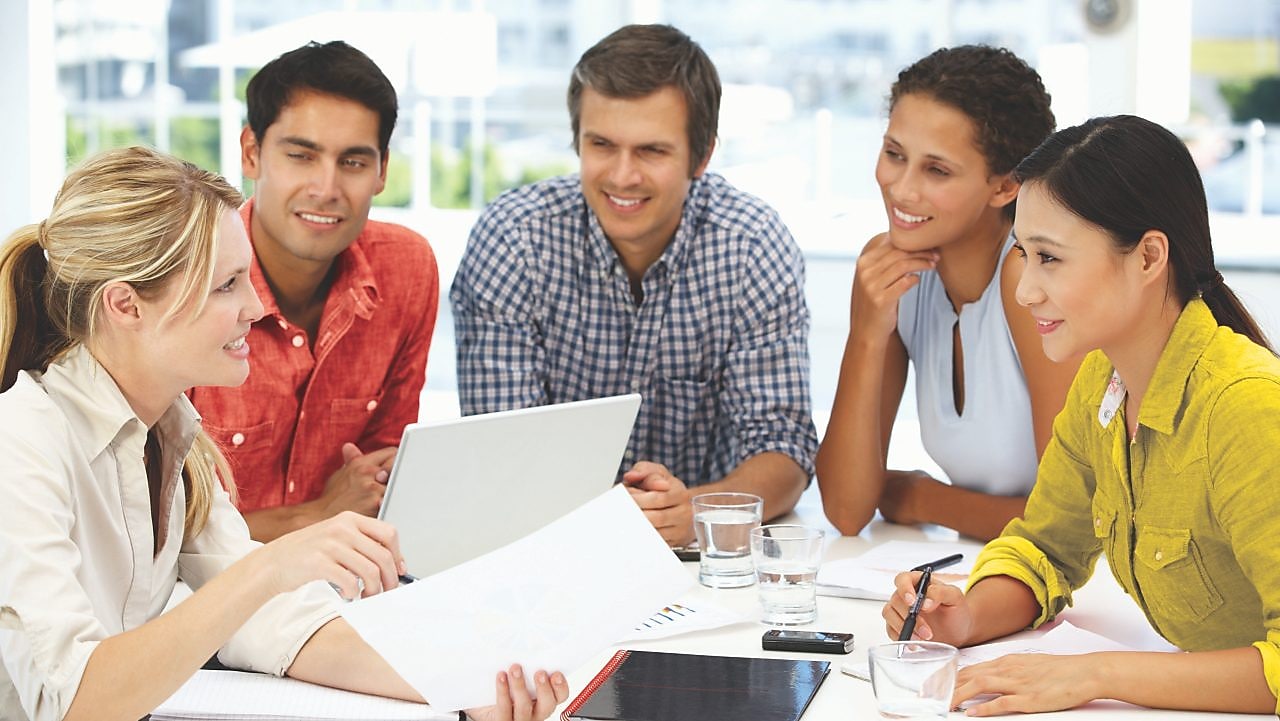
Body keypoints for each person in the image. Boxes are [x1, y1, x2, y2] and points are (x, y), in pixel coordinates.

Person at [0, 147, 566, 721]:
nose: (254, 305)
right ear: (125, 305)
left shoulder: (174, 439)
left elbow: (280, 625)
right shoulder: (20, 442)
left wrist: (469, 685)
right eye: (226, 285)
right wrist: (269, 567)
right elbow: (70, 701)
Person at [882, 115, 1280, 716]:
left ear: (1149, 256)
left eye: (1049, 258)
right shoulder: (1104, 380)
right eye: (1022, 254)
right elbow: (1043, 547)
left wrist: (1096, 674)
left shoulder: (1247, 407)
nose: (1024, 290)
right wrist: (962, 617)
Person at [450, 24, 818, 546]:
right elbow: (502, 449)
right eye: (601, 144)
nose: (622, 176)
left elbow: (785, 449)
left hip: (697, 554)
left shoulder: (752, 245)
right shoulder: (515, 239)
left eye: (651, 151)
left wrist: (697, 510)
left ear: (702, 156)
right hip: (544, 547)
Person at [815, 46, 1079, 541]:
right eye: (894, 154)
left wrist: (922, 498)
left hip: (1092, 587)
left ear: (1005, 187)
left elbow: (1069, 520)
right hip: (991, 571)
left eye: (936, 170)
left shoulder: (1029, 280)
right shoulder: (893, 271)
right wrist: (866, 334)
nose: (902, 190)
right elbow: (848, 510)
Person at [189, 41, 439, 542]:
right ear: (251, 152)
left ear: (382, 170)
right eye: (302, 155)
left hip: (347, 579)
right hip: (199, 599)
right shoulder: (186, 283)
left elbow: (386, 480)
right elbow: (155, 535)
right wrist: (317, 515)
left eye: (352, 162)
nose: (326, 188)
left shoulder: (406, 270)